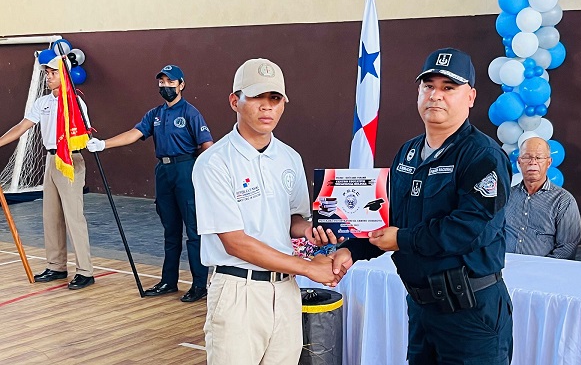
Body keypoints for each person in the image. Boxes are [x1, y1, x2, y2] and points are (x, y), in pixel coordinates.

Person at [332, 48, 513, 364]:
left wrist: (400, 239)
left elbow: (468, 230)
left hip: (470, 314)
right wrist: (350, 250)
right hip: (421, 310)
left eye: (448, 88)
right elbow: (385, 215)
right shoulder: (408, 153)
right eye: (428, 86)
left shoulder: (482, 156)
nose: (436, 96)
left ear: (470, 96)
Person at [191, 58, 344, 365]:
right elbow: (234, 241)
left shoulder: (289, 157)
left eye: (274, 99)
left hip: (285, 291)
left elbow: (294, 220)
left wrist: (313, 232)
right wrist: (309, 268)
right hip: (238, 292)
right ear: (235, 101)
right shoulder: (214, 162)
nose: (267, 107)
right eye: (257, 97)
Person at [86, 65, 213, 302]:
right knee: (170, 230)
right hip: (163, 172)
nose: (165, 86)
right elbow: (134, 133)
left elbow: (207, 146)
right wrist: (103, 144)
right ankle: (168, 281)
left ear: (181, 85)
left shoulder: (190, 113)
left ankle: (199, 284)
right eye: (162, 82)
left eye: (170, 82)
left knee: (194, 230)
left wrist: (208, 176)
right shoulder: (155, 114)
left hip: (185, 169)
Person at [0, 56, 94, 289]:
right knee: (51, 215)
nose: (48, 77)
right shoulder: (42, 102)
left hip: (70, 159)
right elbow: (22, 126)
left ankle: (85, 270)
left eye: (52, 73)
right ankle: (56, 265)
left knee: (74, 217)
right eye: (47, 73)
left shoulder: (75, 103)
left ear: (64, 75)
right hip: (51, 159)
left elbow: (84, 134)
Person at [505, 136, 581, 259]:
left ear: (549, 162)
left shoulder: (563, 200)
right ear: (519, 161)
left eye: (539, 157)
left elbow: (567, 247)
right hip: (504, 268)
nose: (532, 162)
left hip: (544, 272)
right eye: (527, 157)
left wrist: (542, 269)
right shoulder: (506, 195)